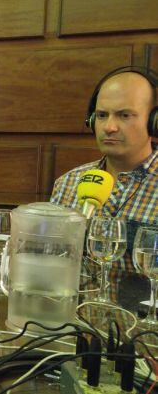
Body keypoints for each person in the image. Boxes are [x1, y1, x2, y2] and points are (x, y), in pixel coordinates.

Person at [51, 67, 158, 305]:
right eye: (101, 115)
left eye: (124, 115)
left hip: (144, 336)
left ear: (154, 123)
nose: (109, 127)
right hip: (72, 330)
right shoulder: (68, 183)